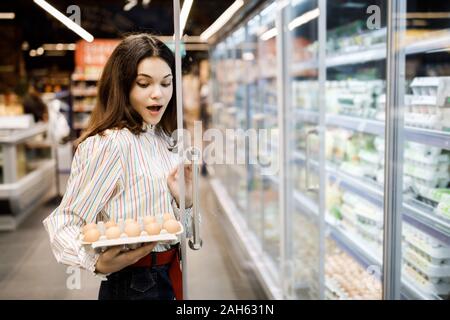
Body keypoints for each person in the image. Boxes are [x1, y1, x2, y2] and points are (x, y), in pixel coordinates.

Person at [43, 33, 194, 300]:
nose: (158, 93)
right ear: (122, 86)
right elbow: (64, 222)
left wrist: (185, 202)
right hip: (135, 284)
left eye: (166, 83)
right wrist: (95, 262)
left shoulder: (162, 138)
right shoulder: (110, 145)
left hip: (169, 272)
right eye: (144, 83)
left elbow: (184, 235)